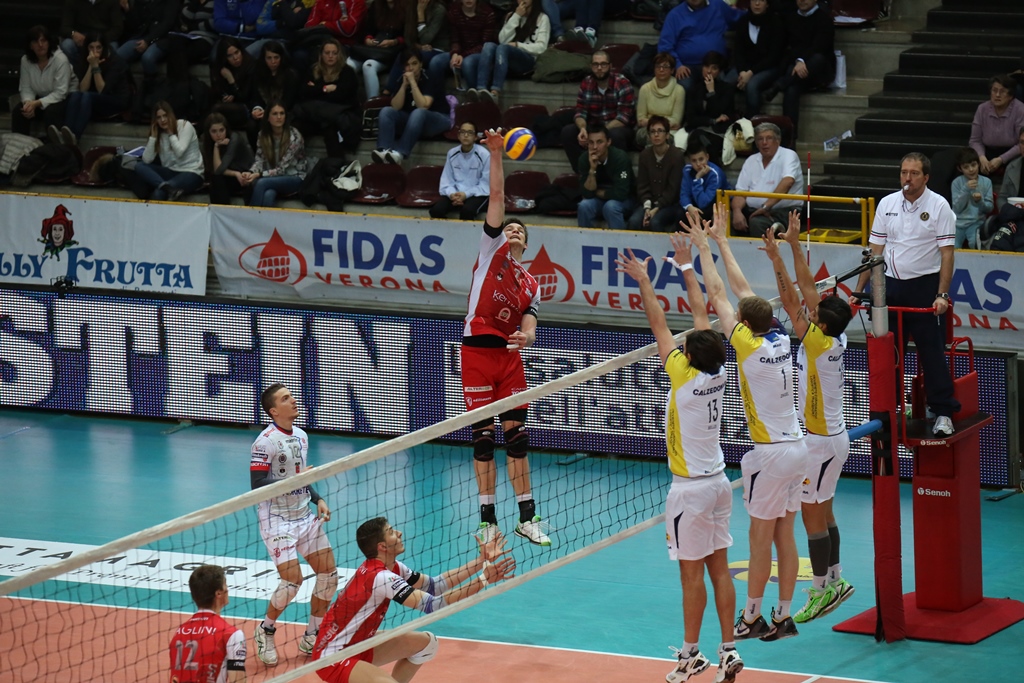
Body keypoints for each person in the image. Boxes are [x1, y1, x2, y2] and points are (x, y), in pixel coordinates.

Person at [614, 240, 743, 683]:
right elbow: (701, 320)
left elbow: (658, 323)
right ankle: (728, 649)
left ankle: (691, 655)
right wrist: (687, 267)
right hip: (720, 484)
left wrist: (645, 280)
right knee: (720, 571)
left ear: (688, 358)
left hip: (690, 492)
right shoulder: (718, 370)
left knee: (692, 577)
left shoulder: (683, 378)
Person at [684, 204, 808, 643]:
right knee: (785, 535)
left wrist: (703, 248)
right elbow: (742, 291)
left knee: (760, 538)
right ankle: (784, 614)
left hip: (771, 455)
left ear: (744, 324)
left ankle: (751, 616)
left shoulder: (748, 345)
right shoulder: (780, 337)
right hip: (798, 448)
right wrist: (721, 241)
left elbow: (719, 292)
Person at [761, 211, 857, 624]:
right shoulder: (837, 335)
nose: (810, 313)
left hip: (819, 444)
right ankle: (835, 578)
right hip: (835, 439)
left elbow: (790, 300)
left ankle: (819, 590)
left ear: (821, 325)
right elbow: (806, 291)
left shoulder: (817, 343)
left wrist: (776, 259)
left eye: (814, 315)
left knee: (811, 516)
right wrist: (794, 244)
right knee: (827, 512)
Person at [462, 129, 550, 547]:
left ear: (526, 244)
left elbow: (530, 321)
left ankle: (527, 518)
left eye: (519, 230)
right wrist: (496, 154)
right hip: (477, 355)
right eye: (508, 227)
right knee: (483, 441)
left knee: (517, 439)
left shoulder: (531, 283)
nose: (512, 231)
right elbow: (497, 196)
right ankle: (487, 522)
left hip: (509, 359)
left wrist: (527, 337)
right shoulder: (490, 251)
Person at [311, 517, 516, 683]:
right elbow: (433, 605)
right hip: (334, 657)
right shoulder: (381, 577)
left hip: (360, 643)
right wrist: (483, 580)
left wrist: (480, 562)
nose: (399, 533)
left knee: (427, 645)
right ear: (382, 546)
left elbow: (435, 586)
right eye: (392, 531)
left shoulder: (393, 567)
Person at [854, 153, 961, 436]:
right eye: (904, 172)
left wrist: (942, 294)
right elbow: (874, 251)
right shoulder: (887, 203)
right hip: (889, 287)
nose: (907, 178)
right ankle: (889, 412)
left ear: (926, 177)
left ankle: (943, 412)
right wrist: (858, 291)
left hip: (925, 288)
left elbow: (947, 254)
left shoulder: (939, 206)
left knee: (932, 353)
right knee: (888, 354)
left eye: (914, 173)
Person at [251, 383, 338, 667]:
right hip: (276, 520)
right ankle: (265, 630)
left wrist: (317, 498)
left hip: (303, 515)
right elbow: (257, 484)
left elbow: (300, 476)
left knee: (329, 575)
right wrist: (294, 482)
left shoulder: (301, 435)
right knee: (292, 581)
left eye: (291, 396)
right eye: (286, 398)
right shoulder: (264, 442)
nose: (293, 400)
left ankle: (312, 635)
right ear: (274, 410)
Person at [762, 0, 836, 140]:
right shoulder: (791, 18)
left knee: (817, 59)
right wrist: (798, 61)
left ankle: (780, 84)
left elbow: (820, 46)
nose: (802, 1)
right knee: (792, 89)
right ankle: (790, 136)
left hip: (817, 71)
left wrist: (802, 60)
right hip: (796, 71)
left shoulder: (824, 19)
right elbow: (788, 47)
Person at [169, 565, 247, 683]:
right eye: (225, 585)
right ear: (219, 593)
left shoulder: (179, 633)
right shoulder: (231, 634)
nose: (228, 589)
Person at [371, 50, 450, 165]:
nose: (411, 68)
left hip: (438, 119)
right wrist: (404, 86)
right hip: (414, 121)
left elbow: (424, 105)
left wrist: (413, 83)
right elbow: (395, 106)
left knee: (418, 112)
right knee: (386, 111)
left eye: (414, 63)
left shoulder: (430, 76)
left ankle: (400, 153)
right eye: (407, 65)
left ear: (421, 64)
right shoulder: (401, 79)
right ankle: (384, 151)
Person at [560, 49, 636, 168]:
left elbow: (623, 117)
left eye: (603, 64)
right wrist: (583, 128)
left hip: (618, 127)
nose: (599, 68)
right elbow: (580, 111)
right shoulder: (586, 82)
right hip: (594, 126)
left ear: (610, 66)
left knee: (616, 135)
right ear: (591, 66)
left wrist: (601, 133)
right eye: (596, 65)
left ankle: (615, 173)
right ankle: (584, 171)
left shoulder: (622, 82)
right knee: (568, 132)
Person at [470, 0, 550, 106]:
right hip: (508, 57)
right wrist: (516, 16)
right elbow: (502, 40)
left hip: (529, 60)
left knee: (503, 48)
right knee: (489, 46)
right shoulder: (511, 16)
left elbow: (541, 48)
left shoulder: (542, 18)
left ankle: (495, 92)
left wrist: (518, 45)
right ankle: (481, 89)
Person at [731, 122, 804, 237]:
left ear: (778, 140)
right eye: (760, 139)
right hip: (753, 209)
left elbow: (788, 181)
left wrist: (765, 207)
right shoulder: (751, 160)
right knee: (722, 217)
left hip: (784, 211)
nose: (764, 142)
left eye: (769, 138)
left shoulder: (789, 155)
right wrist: (737, 212)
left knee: (757, 222)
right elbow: (741, 192)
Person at [293, 39, 361, 157]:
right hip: (314, 115)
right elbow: (303, 92)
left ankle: (336, 164)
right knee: (296, 126)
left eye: (334, 53)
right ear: (321, 54)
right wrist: (325, 89)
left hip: (335, 117)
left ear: (339, 55)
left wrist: (315, 89)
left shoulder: (347, 72)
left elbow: (341, 96)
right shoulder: (313, 70)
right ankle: (293, 160)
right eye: (327, 53)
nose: (330, 56)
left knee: (329, 128)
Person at [657, 0, 744, 92]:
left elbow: (741, 18)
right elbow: (665, 47)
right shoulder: (675, 15)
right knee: (684, 87)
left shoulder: (718, 6)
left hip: (715, 64)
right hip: (687, 66)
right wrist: (678, 65)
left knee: (725, 86)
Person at [62, 33, 131, 143]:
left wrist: (95, 66)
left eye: (98, 47)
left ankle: (75, 137)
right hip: (94, 99)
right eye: (91, 47)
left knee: (87, 96)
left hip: (116, 100)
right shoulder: (85, 59)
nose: (95, 51)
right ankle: (66, 133)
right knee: (76, 95)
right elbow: (83, 89)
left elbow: (102, 90)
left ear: (104, 47)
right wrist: (91, 66)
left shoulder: (115, 61)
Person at [134, 100, 205, 201]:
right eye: (159, 117)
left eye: (165, 115)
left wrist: (171, 134)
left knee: (159, 193)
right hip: (171, 171)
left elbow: (179, 152)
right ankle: (166, 187)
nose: (163, 120)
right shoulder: (159, 134)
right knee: (139, 166)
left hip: (192, 172)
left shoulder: (184, 125)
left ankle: (165, 189)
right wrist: (153, 137)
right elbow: (147, 160)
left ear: (170, 115)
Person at [241, 102, 309, 207]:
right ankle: (263, 218)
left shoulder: (294, 136)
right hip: (271, 178)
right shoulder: (263, 135)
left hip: (295, 177)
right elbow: (259, 160)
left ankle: (250, 216)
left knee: (261, 183)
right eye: (275, 114)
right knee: (269, 194)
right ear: (268, 117)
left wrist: (259, 175)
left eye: (282, 113)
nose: (279, 117)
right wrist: (250, 172)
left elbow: (282, 169)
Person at [13, 26, 77, 138]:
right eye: (35, 42)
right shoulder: (25, 60)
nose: (40, 45)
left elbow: (61, 92)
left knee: (51, 112)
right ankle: (19, 144)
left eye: (43, 40)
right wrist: (28, 104)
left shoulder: (61, 60)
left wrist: (37, 103)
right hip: (40, 98)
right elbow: (26, 87)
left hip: (65, 98)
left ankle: (54, 145)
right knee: (20, 111)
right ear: (30, 46)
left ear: (49, 42)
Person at [628, 116, 685, 232]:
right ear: (649, 136)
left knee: (655, 222)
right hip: (649, 203)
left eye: (660, 131)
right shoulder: (644, 155)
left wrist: (657, 208)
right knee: (634, 221)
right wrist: (647, 207)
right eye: (652, 131)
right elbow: (642, 185)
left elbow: (673, 189)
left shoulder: (676, 156)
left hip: (670, 204)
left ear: (667, 135)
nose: (656, 135)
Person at [429, 0, 498, 94]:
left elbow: (485, 44)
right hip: (460, 51)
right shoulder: (454, 12)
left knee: (467, 63)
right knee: (436, 61)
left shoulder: (487, 13)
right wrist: (455, 53)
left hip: (480, 53)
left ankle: (477, 96)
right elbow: (455, 39)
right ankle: (438, 98)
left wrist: (463, 55)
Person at [578, 123, 636, 229]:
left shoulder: (620, 158)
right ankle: (584, 238)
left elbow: (621, 193)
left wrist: (597, 192)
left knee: (610, 207)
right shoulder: (584, 159)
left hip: (625, 201)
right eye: (591, 142)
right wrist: (592, 169)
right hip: (600, 200)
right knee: (584, 206)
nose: (595, 147)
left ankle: (619, 239)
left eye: (599, 142)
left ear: (608, 142)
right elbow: (586, 193)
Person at [733, 0, 784, 116]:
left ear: (767, 4)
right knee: (727, 81)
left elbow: (774, 56)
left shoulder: (776, 22)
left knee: (752, 85)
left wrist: (750, 73)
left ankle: (753, 121)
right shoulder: (743, 21)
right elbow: (738, 51)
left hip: (769, 67)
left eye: (761, 0)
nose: (757, 4)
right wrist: (742, 71)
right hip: (745, 67)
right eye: (754, 0)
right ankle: (728, 120)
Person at [349, 0, 407, 99]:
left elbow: (408, 36)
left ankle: (373, 103)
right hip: (373, 47)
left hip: (391, 52)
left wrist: (394, 41)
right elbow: (368, 29)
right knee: (349, 64)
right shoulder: (376, 5)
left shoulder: (406, 7)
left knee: (368, 66)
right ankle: (348, 102)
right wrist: (368, 39)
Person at [431, 121, 489, 220]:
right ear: (458, 136)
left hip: (477, 194)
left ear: (475, 137)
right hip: (456, 193)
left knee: (467, 211)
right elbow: (447, 180)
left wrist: (466, 194)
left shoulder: (484, 155)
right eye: (463, 132)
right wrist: (452, 194)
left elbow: (485, 184)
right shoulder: (452, 153)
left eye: (470, 132)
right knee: (436, 210)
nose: (466, 135)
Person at [968, 75, 1024, 176]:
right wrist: (981, 157)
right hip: (987, 152)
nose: (997, 95)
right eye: (994, 90)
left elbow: (1021, 143)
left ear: (1010, 96)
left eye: (1002, 91)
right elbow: (975, 140)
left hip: (1012, 153)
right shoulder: (982, 109)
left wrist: (1001, 159)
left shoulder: (1020, 110)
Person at [115, 0, 182, 79]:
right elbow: (135, 25)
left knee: (147, 58)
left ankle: (152, 84)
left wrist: (148, 40)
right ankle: (128, 84)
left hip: (164, 37)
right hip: (144, 35)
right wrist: (127, 9)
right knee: (118, 56)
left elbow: (167, 23)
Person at [203, 112, 256, 204]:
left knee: (217, 179)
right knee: (215, 181)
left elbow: (219, 170)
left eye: (221, 130)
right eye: (214, 131)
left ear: (226, 129)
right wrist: (216, 147)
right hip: (232, 176)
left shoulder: (235, 139)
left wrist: (237, 174)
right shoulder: (209, 143)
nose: (218, 135)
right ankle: (220, 211)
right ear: (208, 132)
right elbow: (216, 170)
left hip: (246, 175)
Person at [635, 52, 684, 148]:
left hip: (669, 131)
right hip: (647, 130)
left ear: (672, 70)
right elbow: (640, 119)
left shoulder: (679, 90)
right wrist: (661, 124)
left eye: (665, 67)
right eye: (658, 66)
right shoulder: (645, 89)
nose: (661, 69)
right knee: (652, 136)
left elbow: (676, 120)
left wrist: (651, 122)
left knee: (663, 137)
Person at [681, 50, 736, 134]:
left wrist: (711, 92)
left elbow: (718, 114)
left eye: (714, 68)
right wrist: (713, 120)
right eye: (706, 66)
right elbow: (691, 119)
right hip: (696, 130)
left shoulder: (727, 89)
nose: (709, 71)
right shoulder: (694, 89)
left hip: (719, 131)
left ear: (719, 71)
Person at [210, 37, 258, 133]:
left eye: (237, 52)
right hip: (228, 106)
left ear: (241, 50)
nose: (235, 58)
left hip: (247, 107)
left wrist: (231, 80)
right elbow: (216, 91)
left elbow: (245, 97)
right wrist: (224, 97)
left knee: (216, 109)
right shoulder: (218, 67)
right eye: (230, 56)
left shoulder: (251, 65)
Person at [951, 147, 994, 250]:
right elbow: (957, 208)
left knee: (974, 244)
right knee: (952, 247)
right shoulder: (956, 183)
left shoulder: (986, 182)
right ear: (960, 169)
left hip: (977, 223)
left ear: (978, 164)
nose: (971, 169)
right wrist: (965, 190)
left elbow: (989, 208)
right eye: (966, 167)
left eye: (973, 165)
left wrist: (979, 201)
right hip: (957, 224)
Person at [59, 0, 124, 66]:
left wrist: (102, 39)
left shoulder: (112, 1)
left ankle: (103, 71)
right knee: (67, 45)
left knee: (113, 49)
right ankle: (79, 69)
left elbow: (117, 28)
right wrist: (73, 33)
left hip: (104, 37)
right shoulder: (72, 1)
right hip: (82, 38)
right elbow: (65, 27)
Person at [680, 137, 729, 223]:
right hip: (696, 202)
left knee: (700, 215)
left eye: (701, 159)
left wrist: (698, 178)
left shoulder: (715, 174)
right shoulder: (687, 170)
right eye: (694, 161)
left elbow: (703, 203)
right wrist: (689, 207)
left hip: (715, 204)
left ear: (707, 157)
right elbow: (684, 194)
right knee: (680, 214)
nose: (698, 164)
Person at [997, 127, 1024, 213]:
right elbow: (1002, 198)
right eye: (1022, 142)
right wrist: (1006, 211)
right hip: (1014, 215)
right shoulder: (1012, 167)